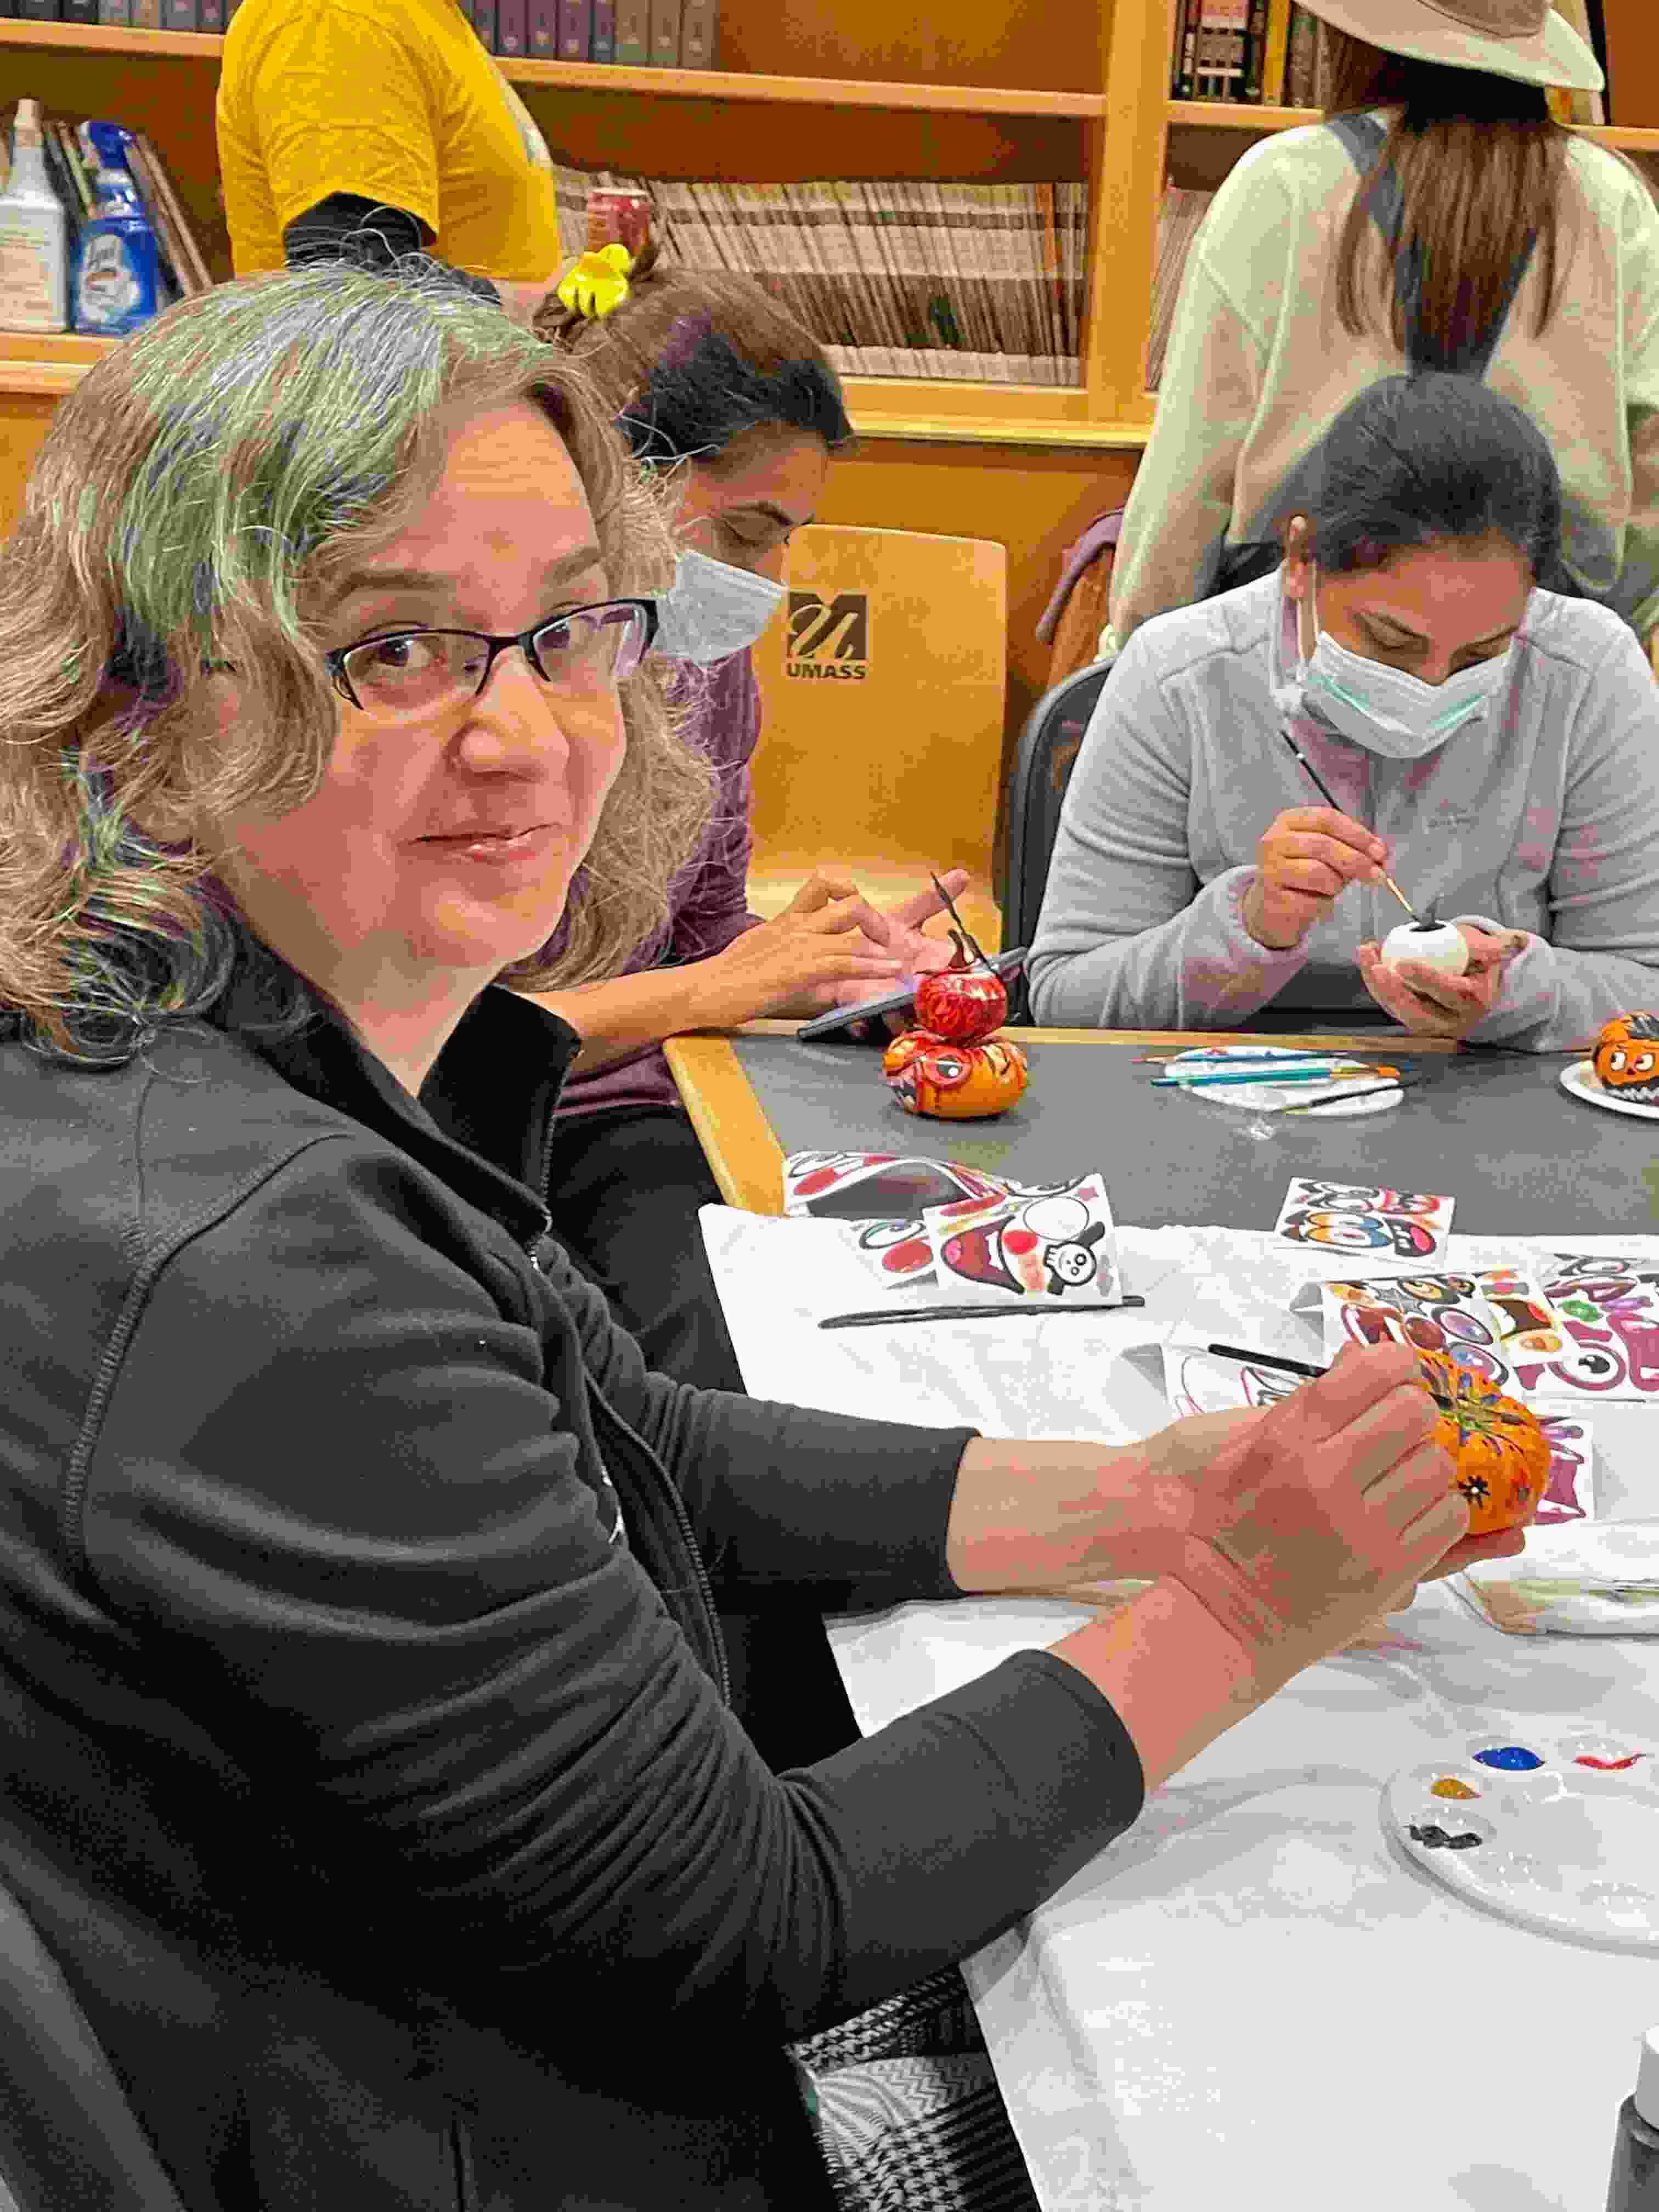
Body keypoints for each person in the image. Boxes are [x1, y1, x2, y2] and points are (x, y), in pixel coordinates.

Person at [0, 264, 1513, 2212]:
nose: (525, 731)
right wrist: (1239, 1598)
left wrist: (1142, 1499)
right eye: (392, 650)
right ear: (135, 701)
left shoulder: (226, 1046)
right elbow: (750, 1921)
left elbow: (642, 1436)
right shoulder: (254, 1257)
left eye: (565, 631)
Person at [524, 244, 966, 1400]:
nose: (771, 576)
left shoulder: (707, 670)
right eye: (746, 533)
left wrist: (824, 968)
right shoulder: (493, 691)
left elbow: (702, 925)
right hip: (474, 1133)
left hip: (633, 1109)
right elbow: (440, 1044)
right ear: (614, 472)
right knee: (712, 1376)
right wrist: (723, 985)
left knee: (868, 1329)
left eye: (787, 537)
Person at [1028, 375, 1659, 1045]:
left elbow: (1644, 981)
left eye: (1482, 654)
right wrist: (1247, 928)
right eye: (1390, 641)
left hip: (1497, 1088)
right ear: (1302, 560)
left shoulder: (1586, 672)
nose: (1430, 684)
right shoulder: (1178, 674)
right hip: (1220, 1080)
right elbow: (1068, 997)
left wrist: (1513, 992)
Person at [1107, 0, 1659, 652]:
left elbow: (1190, 484)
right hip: (1529, 646)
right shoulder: (1612, 200)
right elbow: (1650, 487)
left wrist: (1133, 651)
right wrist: (1591, 645)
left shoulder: (1283, 184)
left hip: (1297, 648)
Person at [217, 0, 563, 320]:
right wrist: (546, 309)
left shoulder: (419, 15)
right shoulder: (339, 16)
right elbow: (351, 288)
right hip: (400, 370)